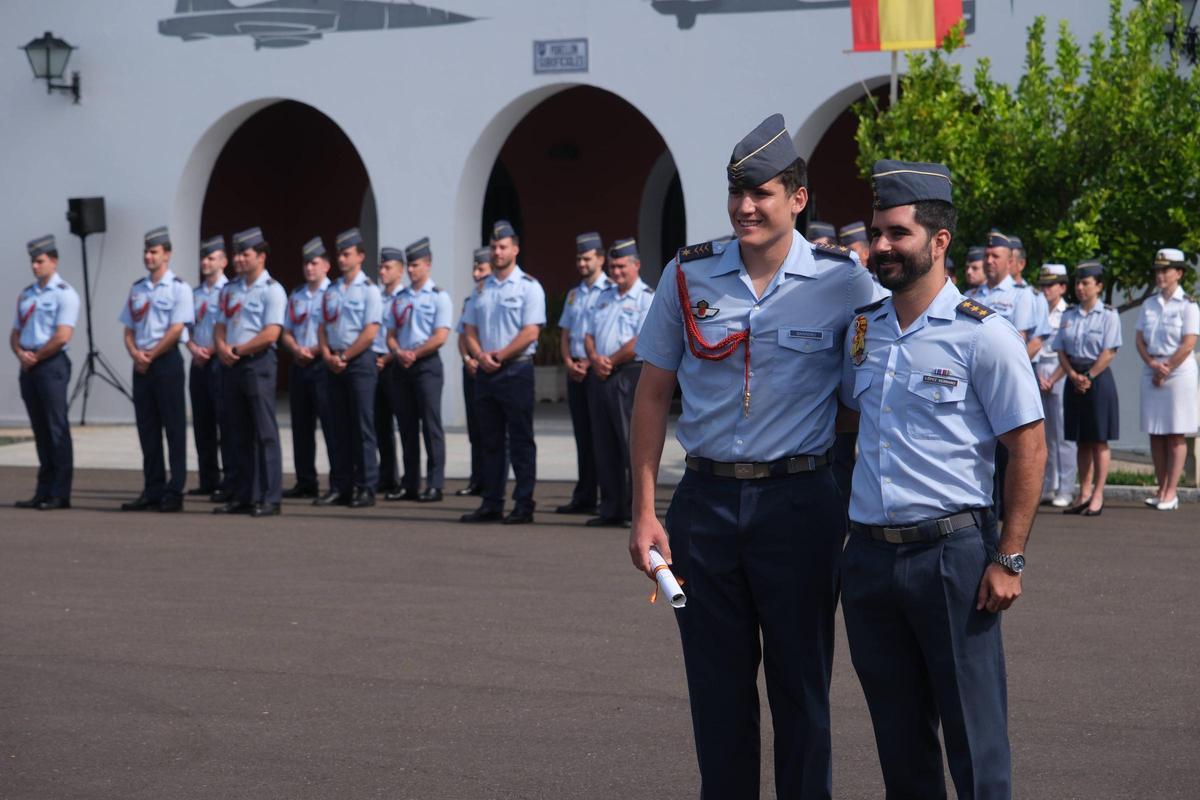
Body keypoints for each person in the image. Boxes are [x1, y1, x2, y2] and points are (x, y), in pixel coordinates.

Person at [629, 114, 876, 799]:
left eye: (761, 193)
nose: (745, 207)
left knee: (802, 689)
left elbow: (869, 393)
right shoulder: (688, 274)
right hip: (704, 507)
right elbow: (651, 394)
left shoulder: (845, 283)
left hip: (799, 503)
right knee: (717, 693)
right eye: (737, 193)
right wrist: (645, 512)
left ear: (797, 198)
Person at [839, 159, 1046, 800]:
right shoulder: (864, 329)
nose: (881, 247)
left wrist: (1007, 557)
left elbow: (1028, 446)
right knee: (900, 746)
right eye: (876, 233)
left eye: (897, 233)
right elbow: (851, 424)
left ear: (939, 240)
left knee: (975, 742)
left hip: (951, 557)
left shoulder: (984, 336)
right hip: (871, 560)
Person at [459, 220, 547, 525]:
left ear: (515, 249)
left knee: (521, 440)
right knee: (490, 440)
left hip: (516, 371)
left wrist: (498, 355)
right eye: (494, 246)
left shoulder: (528, 287)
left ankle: (524, 504)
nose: (497, 251)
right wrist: (479, 354)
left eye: (503, 246)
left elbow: (531, 332)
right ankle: (491, 502)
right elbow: (469, 329)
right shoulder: (482, 288)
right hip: (486, 372)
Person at [212, 226, 287, 517]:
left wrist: (237, 350)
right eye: (237, 254)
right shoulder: (229, 290)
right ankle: (243, 494)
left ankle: (270, 496)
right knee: (236, 432)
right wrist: (221, 347)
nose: (239, 259)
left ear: (261, 256)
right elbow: (220, 324)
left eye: (246, 254)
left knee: (265, 432)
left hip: (257, 364)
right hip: (232, 364)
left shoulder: (272, 290)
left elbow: (271, 333)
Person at [120, 226, 194, 513]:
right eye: (146, 252)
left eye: (154, 252)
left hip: (166, 363)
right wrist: (135, 352)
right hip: (142, 364)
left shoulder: (179, 288)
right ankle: (152, 488)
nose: (148, 256)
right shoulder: (137, 288)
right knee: (147, 430)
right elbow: (128, 328)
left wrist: (151, 354)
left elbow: (177, 329)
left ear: (167, 254)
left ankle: (174, 491)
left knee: (173, 429)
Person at [581, 237, 652, 527]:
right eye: (612, 266)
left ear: (636, 265)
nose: (617, 271)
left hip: (628, 375)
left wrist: (609, 359)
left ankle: (634, 511)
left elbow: (641, 339)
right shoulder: (603, 296)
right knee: (603, 443)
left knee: (628, 444)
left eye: (622, 266)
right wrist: (595, 357)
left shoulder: (646, 297)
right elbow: (587, 332)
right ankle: (610, 508)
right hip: (600, 373)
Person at [316, 227, 383, 509]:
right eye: (339, 255)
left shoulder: (369, 290)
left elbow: (370, 332)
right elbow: (321, 327)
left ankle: (366, 486)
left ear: (360, 256)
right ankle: (340, 485)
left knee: (362, 426)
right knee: (337, 427)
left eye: (347, 254)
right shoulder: (331, 290)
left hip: (359, 363)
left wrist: (345, 356)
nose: (341, 259)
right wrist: (327, 354)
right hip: (334, 362)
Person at [12, 234, 79, 511]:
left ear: (53, 261)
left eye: (40, 261)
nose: (35, 266)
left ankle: (59, 492)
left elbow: (63, 335)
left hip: (51, 365)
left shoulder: (65, 293)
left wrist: (36, 356)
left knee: (56, 429)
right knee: (40, 430)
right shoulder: (27, 294)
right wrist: (20, 353)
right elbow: (15, 332)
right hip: (29, 366)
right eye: (33, 262)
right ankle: (43, 489)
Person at [385, 236, 452, 502]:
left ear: (428, 265)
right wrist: (398, 351)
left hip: (426, 365)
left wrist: (415, 353)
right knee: (407, 426)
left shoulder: (438, 297)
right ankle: (410, 482)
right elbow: (390, 333)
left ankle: (435, 483)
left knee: (431, 425)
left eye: (415, 265)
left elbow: (440, 336)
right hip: (402, 365)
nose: (411, 270)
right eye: (409, 266)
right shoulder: (400, 298)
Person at [1055, 260, 1122, 516]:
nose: (1080, 288)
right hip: (1073, 378)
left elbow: (1110, 350)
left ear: (1099, 285)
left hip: (1099, 379)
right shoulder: (1068, 314)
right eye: (1078, 283)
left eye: (1086, 283)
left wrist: (1089, 377)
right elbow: (1060, 348)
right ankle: (1083, 492)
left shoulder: (1108, 314)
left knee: (1098, 439)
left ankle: (1097, 494)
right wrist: (1073, 375)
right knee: (1080, 439)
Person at [1135, 247, 1198, 511]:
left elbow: (1189, 342)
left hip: (1178, 373)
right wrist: (1152, 363)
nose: (1160, 275)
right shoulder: (1149, 303)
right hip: (1153, 368)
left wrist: (1167, 368)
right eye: (1158, 270)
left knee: (1175, 433)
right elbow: (1139, 338)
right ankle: (1161, 489)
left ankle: (1171, 492)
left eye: (1166, 270)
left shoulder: (1188, 305)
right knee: (1156, 433)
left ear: (1179, 273)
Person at [556, 231, 612, 515]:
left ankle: (607, 495)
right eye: (579, 258)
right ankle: (584, 494)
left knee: (602, 437)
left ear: (600, 259)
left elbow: (605, 335)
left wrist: (590, 362)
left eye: (587, 258)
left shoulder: (611, 290)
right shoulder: (574, 294)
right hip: (576, 369)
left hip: (598, 369)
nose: (582, 263)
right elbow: (566, 332)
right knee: (582, 436)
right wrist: (567, 360)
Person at [280, 236, 337, 499]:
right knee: (301, 427)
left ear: (326, 265)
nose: (309, 268)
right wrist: (296, 349)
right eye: (305, 264)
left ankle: (338, 481)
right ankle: (305, 480)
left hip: (323, 365)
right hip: (300, 365)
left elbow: (335, 332)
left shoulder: (334, 293)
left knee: (331, 426)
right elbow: (286, 331)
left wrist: (314, 350)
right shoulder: (297, 295)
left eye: (314, 263)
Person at [186, 235, 230, 498]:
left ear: (223, 262)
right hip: (198, 360)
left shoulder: (228, 292)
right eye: (204, 257)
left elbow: (229, 328)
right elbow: (185, 327)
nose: (206, 262)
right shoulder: (194, 294)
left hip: (218, 360)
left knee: (224, 421)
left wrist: (212, 350)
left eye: (211, 258)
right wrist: (193, 349)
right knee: (202, 423)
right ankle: (208, 478)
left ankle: (228, 478)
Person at [1034, 264, 1077, 507]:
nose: (1045, 289)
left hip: (1061, 372)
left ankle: (1067, 488)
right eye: (1043, 285)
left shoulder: (1068, 313)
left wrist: (1055, 377)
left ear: (1062, 287)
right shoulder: (1039, 310)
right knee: (1044, 435)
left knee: (1063, 436)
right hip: (1040, 372)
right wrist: (1039, 376)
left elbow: (1068, 351)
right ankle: (1049, 485)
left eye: (1050, 285)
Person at [454, 247, 493, 496]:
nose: (476, 273)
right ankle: (477, 478)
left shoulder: (492, 297)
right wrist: (468, 357)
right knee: (475, 430)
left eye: (481, 268)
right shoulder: (472, 299)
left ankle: (492, 481)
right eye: (475, 268)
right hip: (472, 368)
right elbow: (463, 335)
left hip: (491, 367)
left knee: (493, 432)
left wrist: (482, 358)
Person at [374, 246, 406, 498]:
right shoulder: (376, 296)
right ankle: (386, 476)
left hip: (395, 363)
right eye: (381, 267)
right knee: (379, 424)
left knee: (403, 424)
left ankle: (408, 477)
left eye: (388, 267)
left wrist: (387, 357)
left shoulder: (405, 297)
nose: (383, 272)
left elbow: (406, 337)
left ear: (400, 270)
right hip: (373, 364)